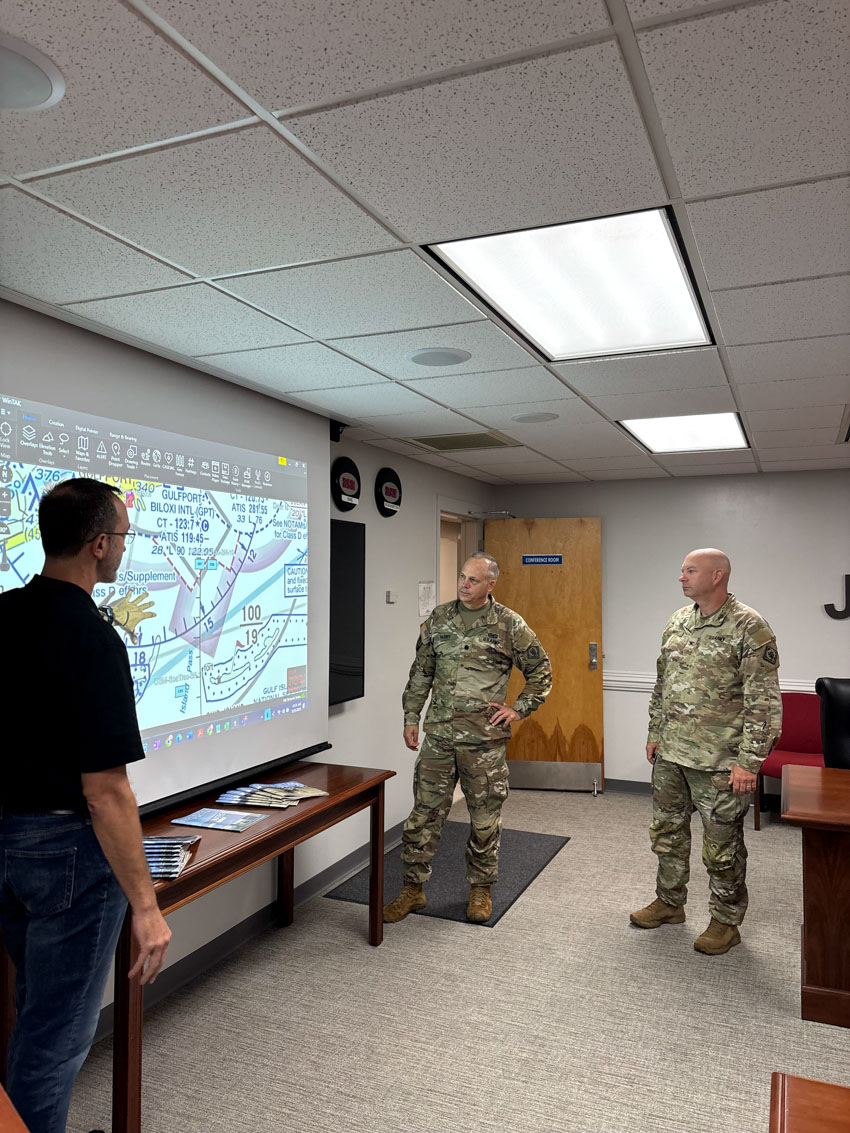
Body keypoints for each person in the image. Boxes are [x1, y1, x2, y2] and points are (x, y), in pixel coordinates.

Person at [0, 477, 171, 1133]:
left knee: (33, 1007)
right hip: (68, 855)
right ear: (99, 544)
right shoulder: (96, 641)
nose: (123, 549)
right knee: (56, 1038)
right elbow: (105, 791)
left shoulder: (4, 614)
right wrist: (148, 906)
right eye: (123, 537)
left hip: (8, 845)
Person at [384, 552, 552, 926]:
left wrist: (519, 708)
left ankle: (481, 889)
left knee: (483, 822)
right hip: (439, 739)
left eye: (473, 580)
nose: (464, 584)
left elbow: (542, 671)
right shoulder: (440, 619)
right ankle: (413, 888)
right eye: (462, 577)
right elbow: (421, 672)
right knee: (422, 818)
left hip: (484, 742)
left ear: (490, 585)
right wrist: (411, 716)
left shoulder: (509, 624)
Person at [631, 548, 781, 955]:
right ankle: (669, 902)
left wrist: (750, 762)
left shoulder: (749, 626)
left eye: (690, 571)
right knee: (667, 834)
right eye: (681, 570)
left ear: (717, 576)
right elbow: (663, 684)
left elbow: (763, 702)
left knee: (721, 846)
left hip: (720, 763)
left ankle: (726, 921)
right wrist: (654, 732)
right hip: (673, 756)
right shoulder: (678, 621)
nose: (681, 577)